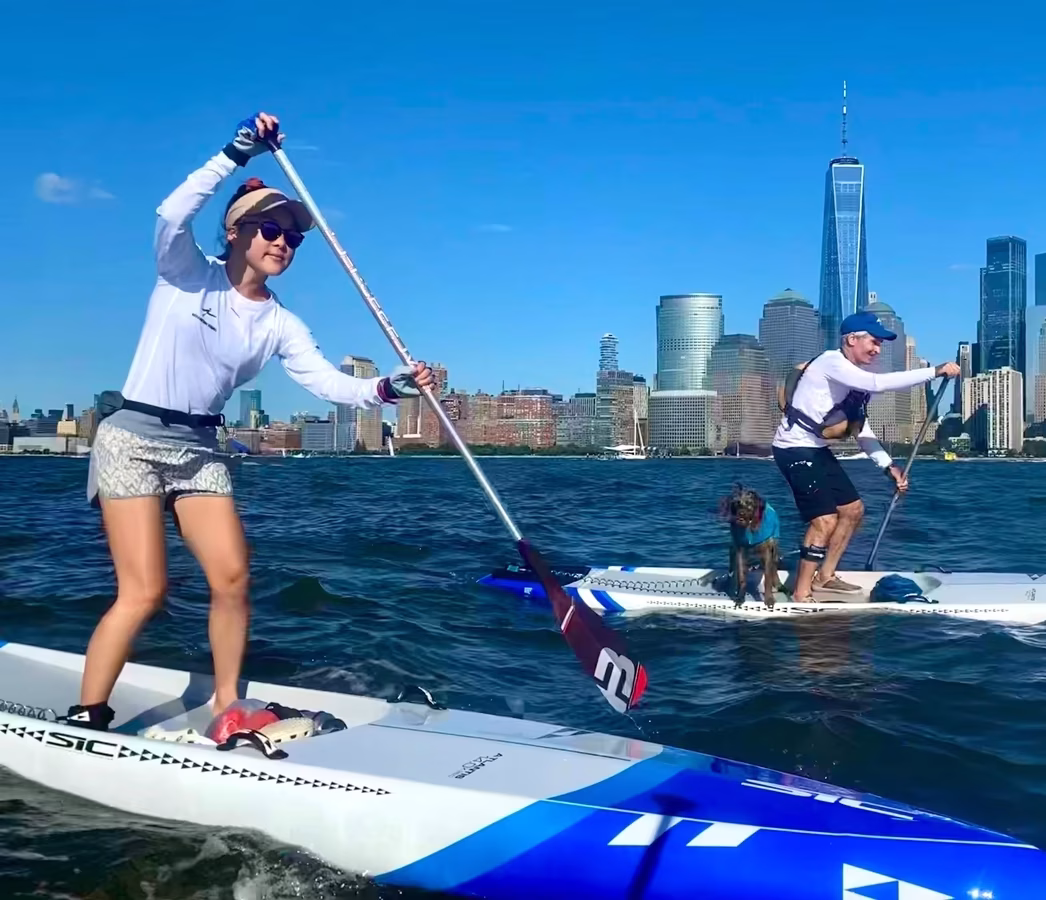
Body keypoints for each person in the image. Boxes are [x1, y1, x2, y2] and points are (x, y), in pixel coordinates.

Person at [65, 112, 435, 732]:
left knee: (234, 577)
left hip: (199, 449)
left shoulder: (281, 323)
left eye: (293, 238)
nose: (282, 243)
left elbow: (326, 381)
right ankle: (88, 715)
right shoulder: (187, 273)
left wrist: (385, 387)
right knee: (145, 591)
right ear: (236, 232)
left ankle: (225, 704)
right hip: (133, 439)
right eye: (270, 229)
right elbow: (172, 214)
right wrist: (233, 154)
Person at [771, 311, 959, 602]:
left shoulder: (855, 383)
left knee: (853, 510)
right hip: (792, 447)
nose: (877, 349)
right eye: (873, 341)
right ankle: (801, 593)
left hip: (815, 449)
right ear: (851, 340)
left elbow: (860, 429)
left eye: (880, 344)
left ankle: (825, 577)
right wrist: (935, 371)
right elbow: (877, 383)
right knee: (824, 520)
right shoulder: (832, 362)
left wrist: (888, 466)